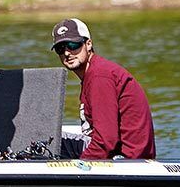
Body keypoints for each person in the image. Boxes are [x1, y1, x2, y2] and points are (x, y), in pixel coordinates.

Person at [50, 18, 157, 160]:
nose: (67, 53)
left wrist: (78, 169)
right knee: (47, 137)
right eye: (60, 48)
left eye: (72, 44)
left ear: (88, 44)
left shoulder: (100, 76)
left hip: (126, 161)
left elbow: (106, 141)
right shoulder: (94, 73)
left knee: (46, 141)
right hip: (119, 153)